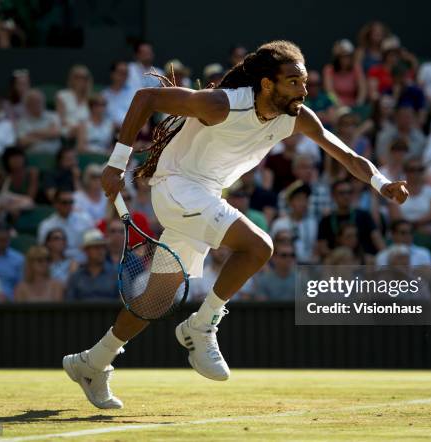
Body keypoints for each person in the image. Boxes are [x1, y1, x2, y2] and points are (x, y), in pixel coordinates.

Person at [64, 40, 408, 409]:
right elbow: (147, 98)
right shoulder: (222, 104)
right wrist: (117, 164)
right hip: (176, 187)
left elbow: (349, 156)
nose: (304, 91)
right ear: (266, 85)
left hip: (205, 195)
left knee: (155, 299)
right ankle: (200, 326)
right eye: (293, 82)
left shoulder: (296, 117)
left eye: (305, 82)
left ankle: (92, 362)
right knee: (259, 246)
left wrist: (381, 183)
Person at [317, 179, 385, 260]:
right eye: (341, 193)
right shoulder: (326, 220)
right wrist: (340, 258)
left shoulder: (364, 216)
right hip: (338, 263)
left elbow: (376, 238)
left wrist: (385, 255)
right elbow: (322, 248)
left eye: (349, 192)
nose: (346, 196)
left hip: (363, 261)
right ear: (333, 196)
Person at [37, 189, 94, 261]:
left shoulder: (85, 219)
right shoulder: (46, 225)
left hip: (83, 263)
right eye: (64, 202)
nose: (68, 205)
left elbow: (93, 243)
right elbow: (43, 250)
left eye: (71, 202)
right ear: (55, 204)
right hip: (57, 264)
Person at [270, 182, 319, 264]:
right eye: (299, 199)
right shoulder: (279, 224)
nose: (303, 203)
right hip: (286, 265)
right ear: (290, 202)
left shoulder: (314, 223)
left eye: (306, 199)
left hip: (309, 266)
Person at [65, 229, 117, 301]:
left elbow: (124, 304)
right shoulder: (76, 277)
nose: (101, 251)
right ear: (86, 250)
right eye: (96, 247)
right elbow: (70, 303)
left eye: (103, 247)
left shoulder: (118, 275)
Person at [16, 89, 62, 153]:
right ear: (27, 106)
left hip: (54, 154)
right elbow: (22, 142)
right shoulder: (22, 122)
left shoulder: (53, 116)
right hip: (33, 155)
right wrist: (47, 134)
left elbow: (55, 133)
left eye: (39, 101)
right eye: (33, 102)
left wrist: (32, 133)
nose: (38, 104)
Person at [322, 39, 366, 106]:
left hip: (354, 105)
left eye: (348, 56)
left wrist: (359, 103)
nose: (345, 59)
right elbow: (329, 92)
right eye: (342, 56)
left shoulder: (356, 68)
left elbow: (363, 88)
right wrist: (338, 104)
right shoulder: (329, 69)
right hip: (335, 106)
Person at [56, 65, 91, 141]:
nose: (80, 80)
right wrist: (77, 128)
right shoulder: (62, 95)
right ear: (71, 78)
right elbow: (60, 120)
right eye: (77, 77)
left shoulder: (90, 98)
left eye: (84, 78)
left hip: (87, 131)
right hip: (68, 129)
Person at [102, 61, 134, 129]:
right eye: (120, 72)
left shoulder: (134, 94)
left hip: (130, 131)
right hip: (109, 132)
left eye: (125, 73)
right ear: (112, 73)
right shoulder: (104, 95)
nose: (123, 75)